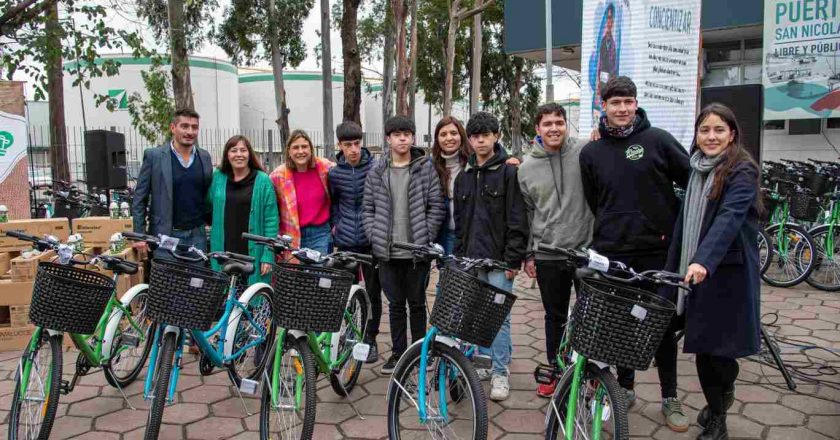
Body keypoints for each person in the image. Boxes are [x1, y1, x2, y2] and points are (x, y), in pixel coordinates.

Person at [579, 76, 690, 432]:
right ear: (604, 107)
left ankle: (670, 396)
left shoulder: (657, 140)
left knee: (662, 325)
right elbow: (595, 200)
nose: (623, 109)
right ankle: (624, 389)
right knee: (623, 324)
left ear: (636, 103)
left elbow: (691, 180)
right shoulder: (591, 152)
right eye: (615, 103)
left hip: (658, 252)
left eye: (628, 102)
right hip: (613, 253)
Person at [664, 103, 761, 440]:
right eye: (704, 130)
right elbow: (684, 225)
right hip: (692, 274)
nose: (711, 136)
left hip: (726, 275)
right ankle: (719, 404)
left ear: (732, 133)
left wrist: (703, 260)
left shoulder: (742, 170)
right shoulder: (695, 169)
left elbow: (729, 219)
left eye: (719, 130)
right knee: (706, 349)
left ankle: (717, 417)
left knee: (720, 353)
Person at [518, 103, 594, 398]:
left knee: (589, 317)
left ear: (566, 125)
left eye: (559, 122)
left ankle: (590, 376)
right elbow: (526, 215)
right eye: (547, 123)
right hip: (548, 253)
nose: (554, 128)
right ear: (537, 129)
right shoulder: (525, 169)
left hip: (587, 252)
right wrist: (528, 254)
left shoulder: (586, 152)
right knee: (554, 317)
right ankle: (556, 369)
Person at [453, 112, 529, 401]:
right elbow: (460, 223)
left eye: (486, 134)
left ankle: (500, 372)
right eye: (475, 136)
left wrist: (513, 260)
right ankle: (485, 363)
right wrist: (460, 258)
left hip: (499, 261)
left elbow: (517, 219)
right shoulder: (464, 177)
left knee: (500, 318)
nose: (480, 140)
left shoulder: (510, 172)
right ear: (469, 141)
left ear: (496, 136)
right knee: (478, 316)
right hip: (472, 261)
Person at [362, 115, 445, 374]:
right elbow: (367, 209)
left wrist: (426, 236)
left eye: (407, 134)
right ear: (388, 138)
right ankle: (398, 353)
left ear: (413, 138)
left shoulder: (425, 167)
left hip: (416, 252)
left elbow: (436, 205)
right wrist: (375, 236)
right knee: (396, 305)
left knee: (417, 304)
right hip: (387, 252)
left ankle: (421, 352)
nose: (402, 139)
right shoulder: (377, 171)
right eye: (396, 134)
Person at [328, 121, 382, 363]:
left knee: (373, 292)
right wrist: (336, 225)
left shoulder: (376, 167)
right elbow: (333, 203)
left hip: (372, 241)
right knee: (345, 293)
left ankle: (370, 339)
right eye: (348, 144)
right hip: (346, 240)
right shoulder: (334, 173)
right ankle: (349, 335)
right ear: (339, 145)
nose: (353, 149)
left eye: (357, 143)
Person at [132, 109, 213, 257]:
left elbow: (208, 194)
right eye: (184, 126)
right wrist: (139, 235)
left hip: (198, 236)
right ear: (173, 128)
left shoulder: (205, 157)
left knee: (196, 280)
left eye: (194, 127)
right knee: (167, 280)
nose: (190, 131)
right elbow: (139, 199)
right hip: (165, 235)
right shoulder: (154, 156)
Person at [207, 135, 278, 285]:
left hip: (253, 254)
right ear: (227, 155)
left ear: (249, 154)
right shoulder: (218, 178)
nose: (239, 154)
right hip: (224, 251)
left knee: (252, 301)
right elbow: (208, 206)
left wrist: (268, 255)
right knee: (224, 299)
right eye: (234, 150)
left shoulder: (263, 181)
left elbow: (271, 221)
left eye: (243, 150)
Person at [270, 129, 334, 256]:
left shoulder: (325, 168)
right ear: (289, 151)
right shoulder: (278, 176)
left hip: (320, 234)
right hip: (291, 234)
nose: (300, 151)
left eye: (304, 147)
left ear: (311, 149)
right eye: (295, 147)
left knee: (317, 274)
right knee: (295, 275)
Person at [431, 116, 471, 257]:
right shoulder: (431, 167)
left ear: (461, 136)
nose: (449, 138)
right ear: (437, 139)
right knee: (449, 276)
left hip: (470, 235)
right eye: (443, 134)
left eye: (453, 133)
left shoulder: (472, 163)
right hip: (445, 235)